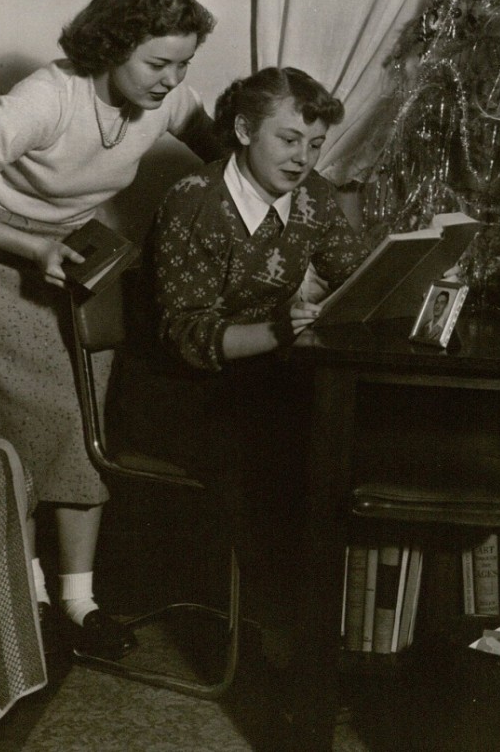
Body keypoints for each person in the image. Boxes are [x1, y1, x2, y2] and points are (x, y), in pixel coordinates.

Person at [0, 0, 221, 660]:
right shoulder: (45, 98)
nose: (172, 80)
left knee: (82, 426)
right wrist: (30, 246)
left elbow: (231, 163)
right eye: (158, 63)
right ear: (112, 45)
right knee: (12, 433)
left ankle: (81, 602)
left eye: (184, 64)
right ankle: (30, 599)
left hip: (76, 251)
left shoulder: (168, 100)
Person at [105, 66, 370, 602]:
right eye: (289, 139)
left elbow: (356, 275)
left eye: (315, 145)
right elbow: (186, 336)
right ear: (246, 132)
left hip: (257, 377)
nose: (302, 158)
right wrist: (280, 330)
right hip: (170, 390)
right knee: (275, 450)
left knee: (347, 434)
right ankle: (254, 628)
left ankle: (303, 619)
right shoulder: (193, 200)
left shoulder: (313, 195)